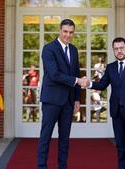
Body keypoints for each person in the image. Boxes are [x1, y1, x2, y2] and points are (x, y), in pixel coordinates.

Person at [82, 37, 125, 169]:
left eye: (121, 48)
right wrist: (89, 84)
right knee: (120, 145)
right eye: (116, 49)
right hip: (116, 111)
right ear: (113, 51)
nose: (119, 51)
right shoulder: (111, 67)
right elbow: (102, 84)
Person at [37, 19, 84, 169]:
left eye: (71, 32)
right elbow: (54, 74)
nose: (68, 35)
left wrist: (77, 98)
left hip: (68, 102)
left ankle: (62, 166)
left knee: (64, 139)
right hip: (51, 100)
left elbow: (76, 72)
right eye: (65, 32)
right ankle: (41, 166)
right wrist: (77, 80)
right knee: (45, 137)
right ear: (60, 31)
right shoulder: (49, 49)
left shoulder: (74, 50)